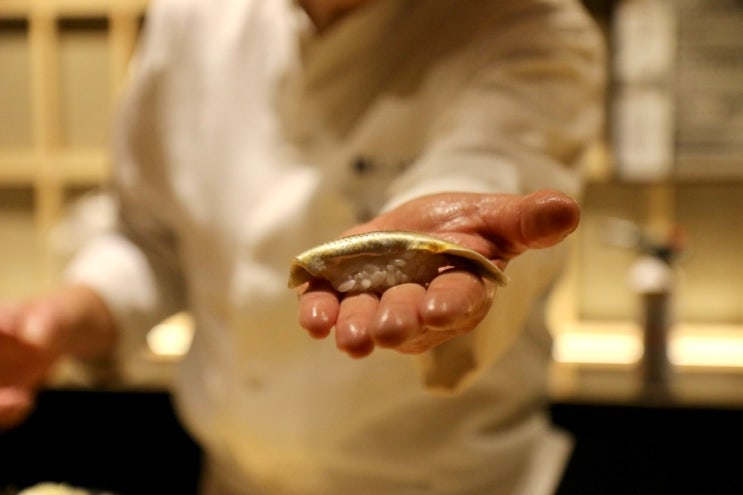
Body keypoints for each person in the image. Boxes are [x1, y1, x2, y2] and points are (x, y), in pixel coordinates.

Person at [0, 0, 605, 493]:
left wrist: (443, 238)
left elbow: (483, 166)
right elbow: (150, 237)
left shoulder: (529, 27)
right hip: (231, 480)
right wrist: (66, 314)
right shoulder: (190, 15)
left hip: (445, 483)